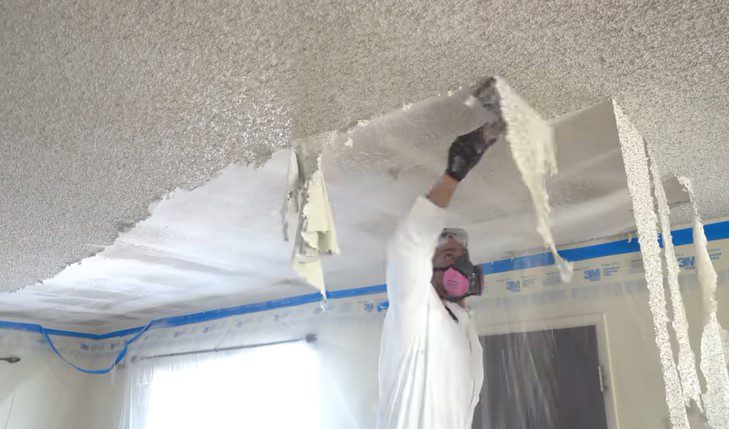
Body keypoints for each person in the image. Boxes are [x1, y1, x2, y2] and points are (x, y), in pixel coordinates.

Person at [376, 108, 504, 429]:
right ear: (424, 271)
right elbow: (407, 250)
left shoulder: (460, 322)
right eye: (448, 257)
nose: (461, 266)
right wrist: (452, 176)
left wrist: (461, 302)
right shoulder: (415, 310)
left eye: (462, 258)